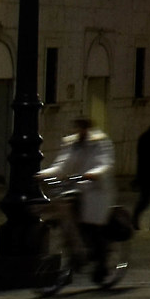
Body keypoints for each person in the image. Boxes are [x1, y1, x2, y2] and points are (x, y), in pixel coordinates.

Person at [38, 115, 117, 284]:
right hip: (76, 189)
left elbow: (105, 162)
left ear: (87, 129)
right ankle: (75, 252)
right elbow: (62, 164)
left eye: (82, 128)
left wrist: (95, 173)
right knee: (68, 217)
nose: (79, 131)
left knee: (94, 228)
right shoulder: (71, 143)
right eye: (77, 128)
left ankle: (102, 264)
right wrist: (45, 174)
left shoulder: (100, 142)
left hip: (97, 191)